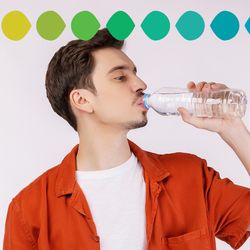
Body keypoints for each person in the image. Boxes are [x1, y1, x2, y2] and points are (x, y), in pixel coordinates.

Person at [3, 28, 250, 250]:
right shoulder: (29, 209)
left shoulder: (192, 176)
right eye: (120, 77)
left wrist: (233, 129)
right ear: (82, 100)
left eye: (135, 73)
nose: (141, 84)